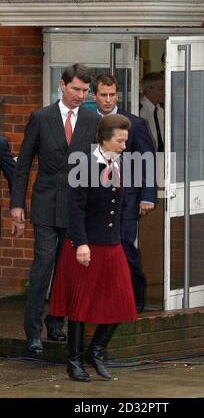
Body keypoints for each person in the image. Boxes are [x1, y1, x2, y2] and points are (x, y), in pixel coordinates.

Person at [10, 63, 99, 354]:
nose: (80, 95)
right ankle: (33, 332)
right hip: (46, 206)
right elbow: (22, 165)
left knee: (70, 271)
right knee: (43, 268)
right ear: (62, 85)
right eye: (76, 89)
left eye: (85, 91)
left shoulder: (90, 119)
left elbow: (96, 167)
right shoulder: (41, 117)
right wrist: (16, 204)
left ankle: (57, 323)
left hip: (77, 209)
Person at [49, 114, 137, 382]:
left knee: (123, 301)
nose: (124, 145)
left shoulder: (122, 163)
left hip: (112, 244)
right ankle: (74, 361)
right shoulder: (85, 165)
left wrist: (123, 236)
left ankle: (95, 351)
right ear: (105, 138)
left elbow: (121, 206)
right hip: (85, 245)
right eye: (120, 141)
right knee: (80, 305)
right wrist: (81, 243)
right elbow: (75, 208)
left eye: (125, 140)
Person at [92, 74, 157, 314]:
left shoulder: (135, 123)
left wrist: (148, 195)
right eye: (103, 95)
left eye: (112, 95)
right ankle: (105, 298)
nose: (108, 100)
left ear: (118, 95)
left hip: (128, 197)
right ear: (94, 96)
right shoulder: (88, 122)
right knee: (100, 248)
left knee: (125, 246)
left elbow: (147, 161)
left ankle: (135, 297)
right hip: (96, 199)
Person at [140, 72, 164, 152]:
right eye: (161, 88)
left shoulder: (162, 111)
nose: (164, 92)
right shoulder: (139, 110)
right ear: (149, 89)